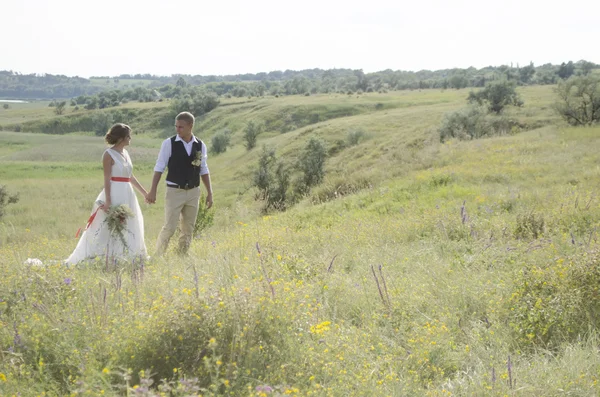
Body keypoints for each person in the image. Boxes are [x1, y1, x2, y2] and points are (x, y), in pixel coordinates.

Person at [66, 123, 148, 264]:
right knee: (109, 225)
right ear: (122, 138)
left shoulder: (126, 153)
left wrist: (144, 193)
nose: (130, 138)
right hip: (115, 191)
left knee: (130, 223)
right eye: (129, 136)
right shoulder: (108, 154)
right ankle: (104, 256)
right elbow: (107, 179)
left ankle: (127, 255)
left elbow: (130, 176)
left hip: (128, 192)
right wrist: (108, 201)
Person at [146, 111, 213, 256]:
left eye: (181, 127)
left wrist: (210, 193)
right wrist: (152, 190)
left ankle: (181, 256)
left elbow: (203, 169)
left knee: (188, 228)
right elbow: (159, 167)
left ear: (190, 126)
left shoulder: (200, 145)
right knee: (169, 227)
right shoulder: (168, 144)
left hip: (193, 192)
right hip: (174, 191)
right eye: (176, 126)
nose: (177, 129)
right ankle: (157, 257)